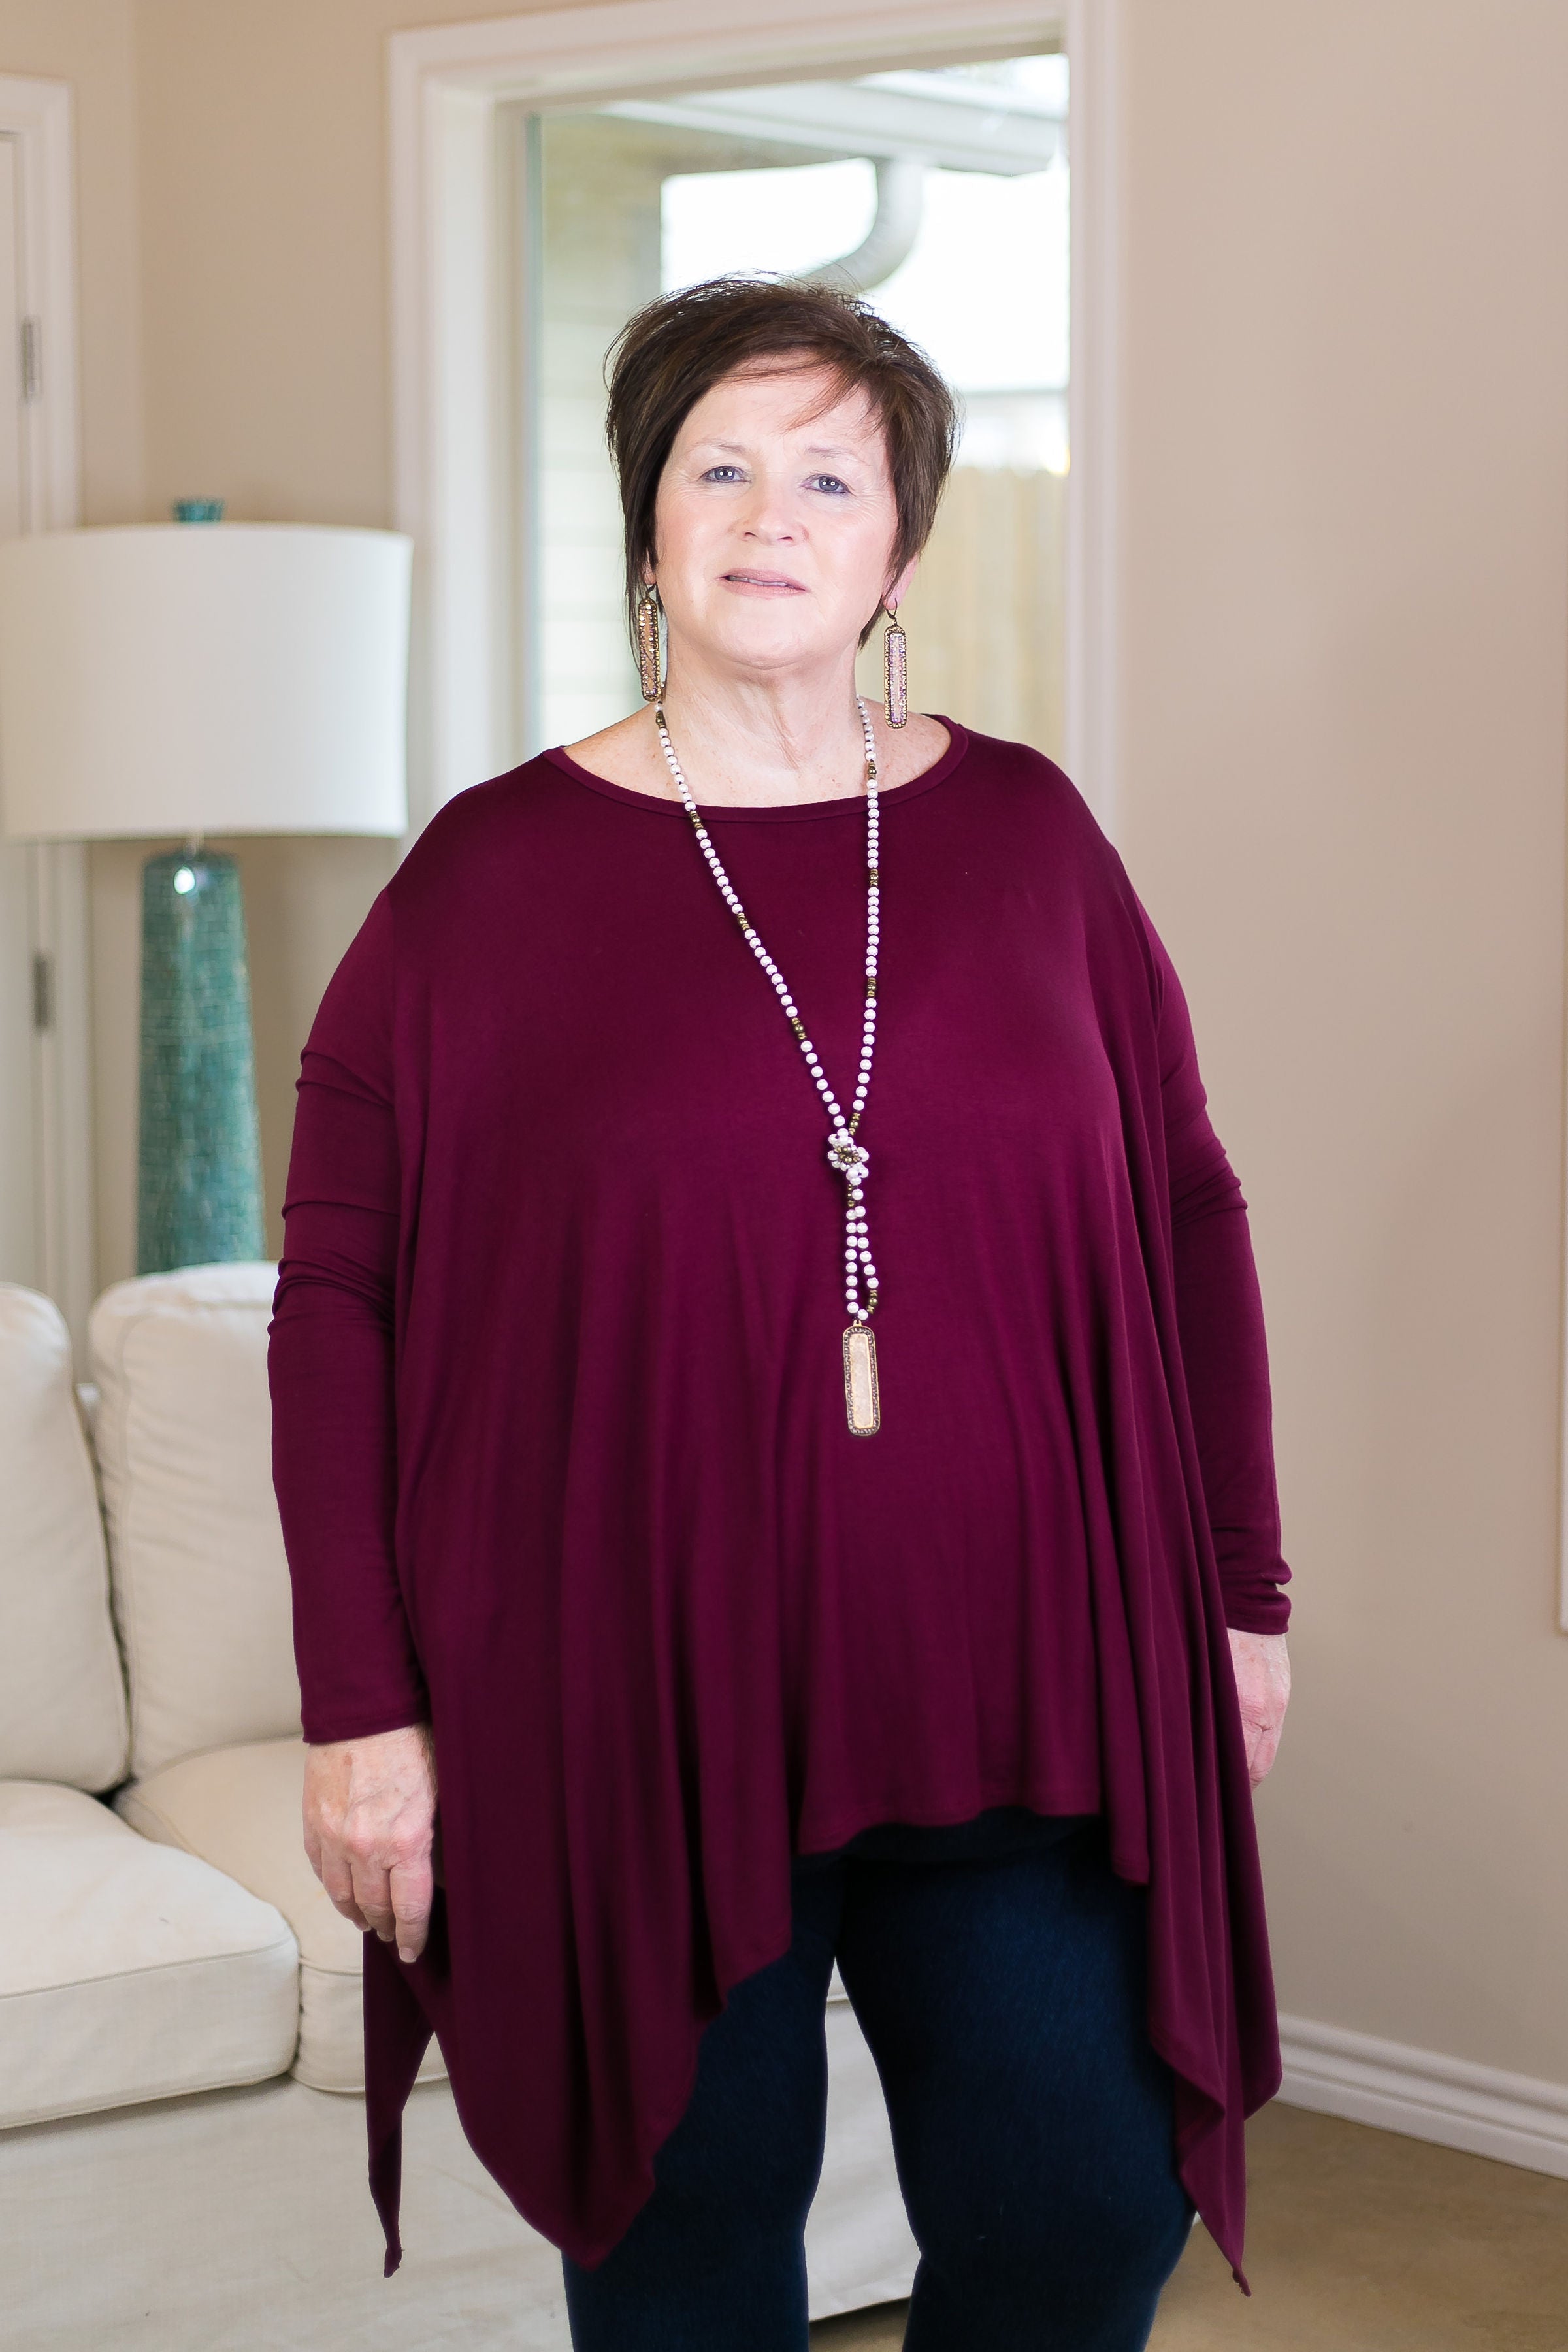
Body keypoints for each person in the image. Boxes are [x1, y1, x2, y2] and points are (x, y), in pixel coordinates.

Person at [269, 277, 1292, 2352]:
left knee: (1087, 2216)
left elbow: (1187, 1207)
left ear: (899, 545)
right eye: (718, 467)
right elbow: (337, 1305)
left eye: (831, 478)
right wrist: (363, 1714)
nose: (770, 517)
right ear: (648, 528)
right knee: (688, 2269)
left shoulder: (1029, 836)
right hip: (628, 1706)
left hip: (1021, 1682)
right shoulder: (483, 881)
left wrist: (1241, 1596)